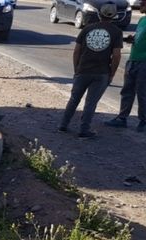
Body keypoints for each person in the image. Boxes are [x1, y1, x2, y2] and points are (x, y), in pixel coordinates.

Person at [58, 3, 122, 139]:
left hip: (83, 69)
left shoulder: (87, 29)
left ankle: (63, 125)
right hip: (101, 72)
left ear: (99, 14)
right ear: (114, 17)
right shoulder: (116, 32)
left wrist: (77, 69)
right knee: (91, 102)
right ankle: (84, 130)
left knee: (74, 99)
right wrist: (112, 73)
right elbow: (116, 56)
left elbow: (76, 51)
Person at [104, 0, 146, 132]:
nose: (141, 4)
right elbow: (141, 35)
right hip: (133, 58)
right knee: (127, 90)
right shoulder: (143, 20)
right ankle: (122, 118)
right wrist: (133, 39)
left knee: (142, 91)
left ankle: (143, 120)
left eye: (144, 2)